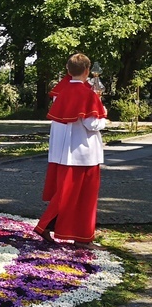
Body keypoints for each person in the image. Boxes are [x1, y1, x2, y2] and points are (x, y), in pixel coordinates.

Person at [34, 53, 107, 248]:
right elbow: (91, 123)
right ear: (87, 71)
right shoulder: (87, 94)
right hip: (83, 153)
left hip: (62, 152)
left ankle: (54, 228)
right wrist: (104, 116)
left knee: (65, 194)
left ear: (68, 70)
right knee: (83, 198)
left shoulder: (62, 91)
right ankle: (79, 235)